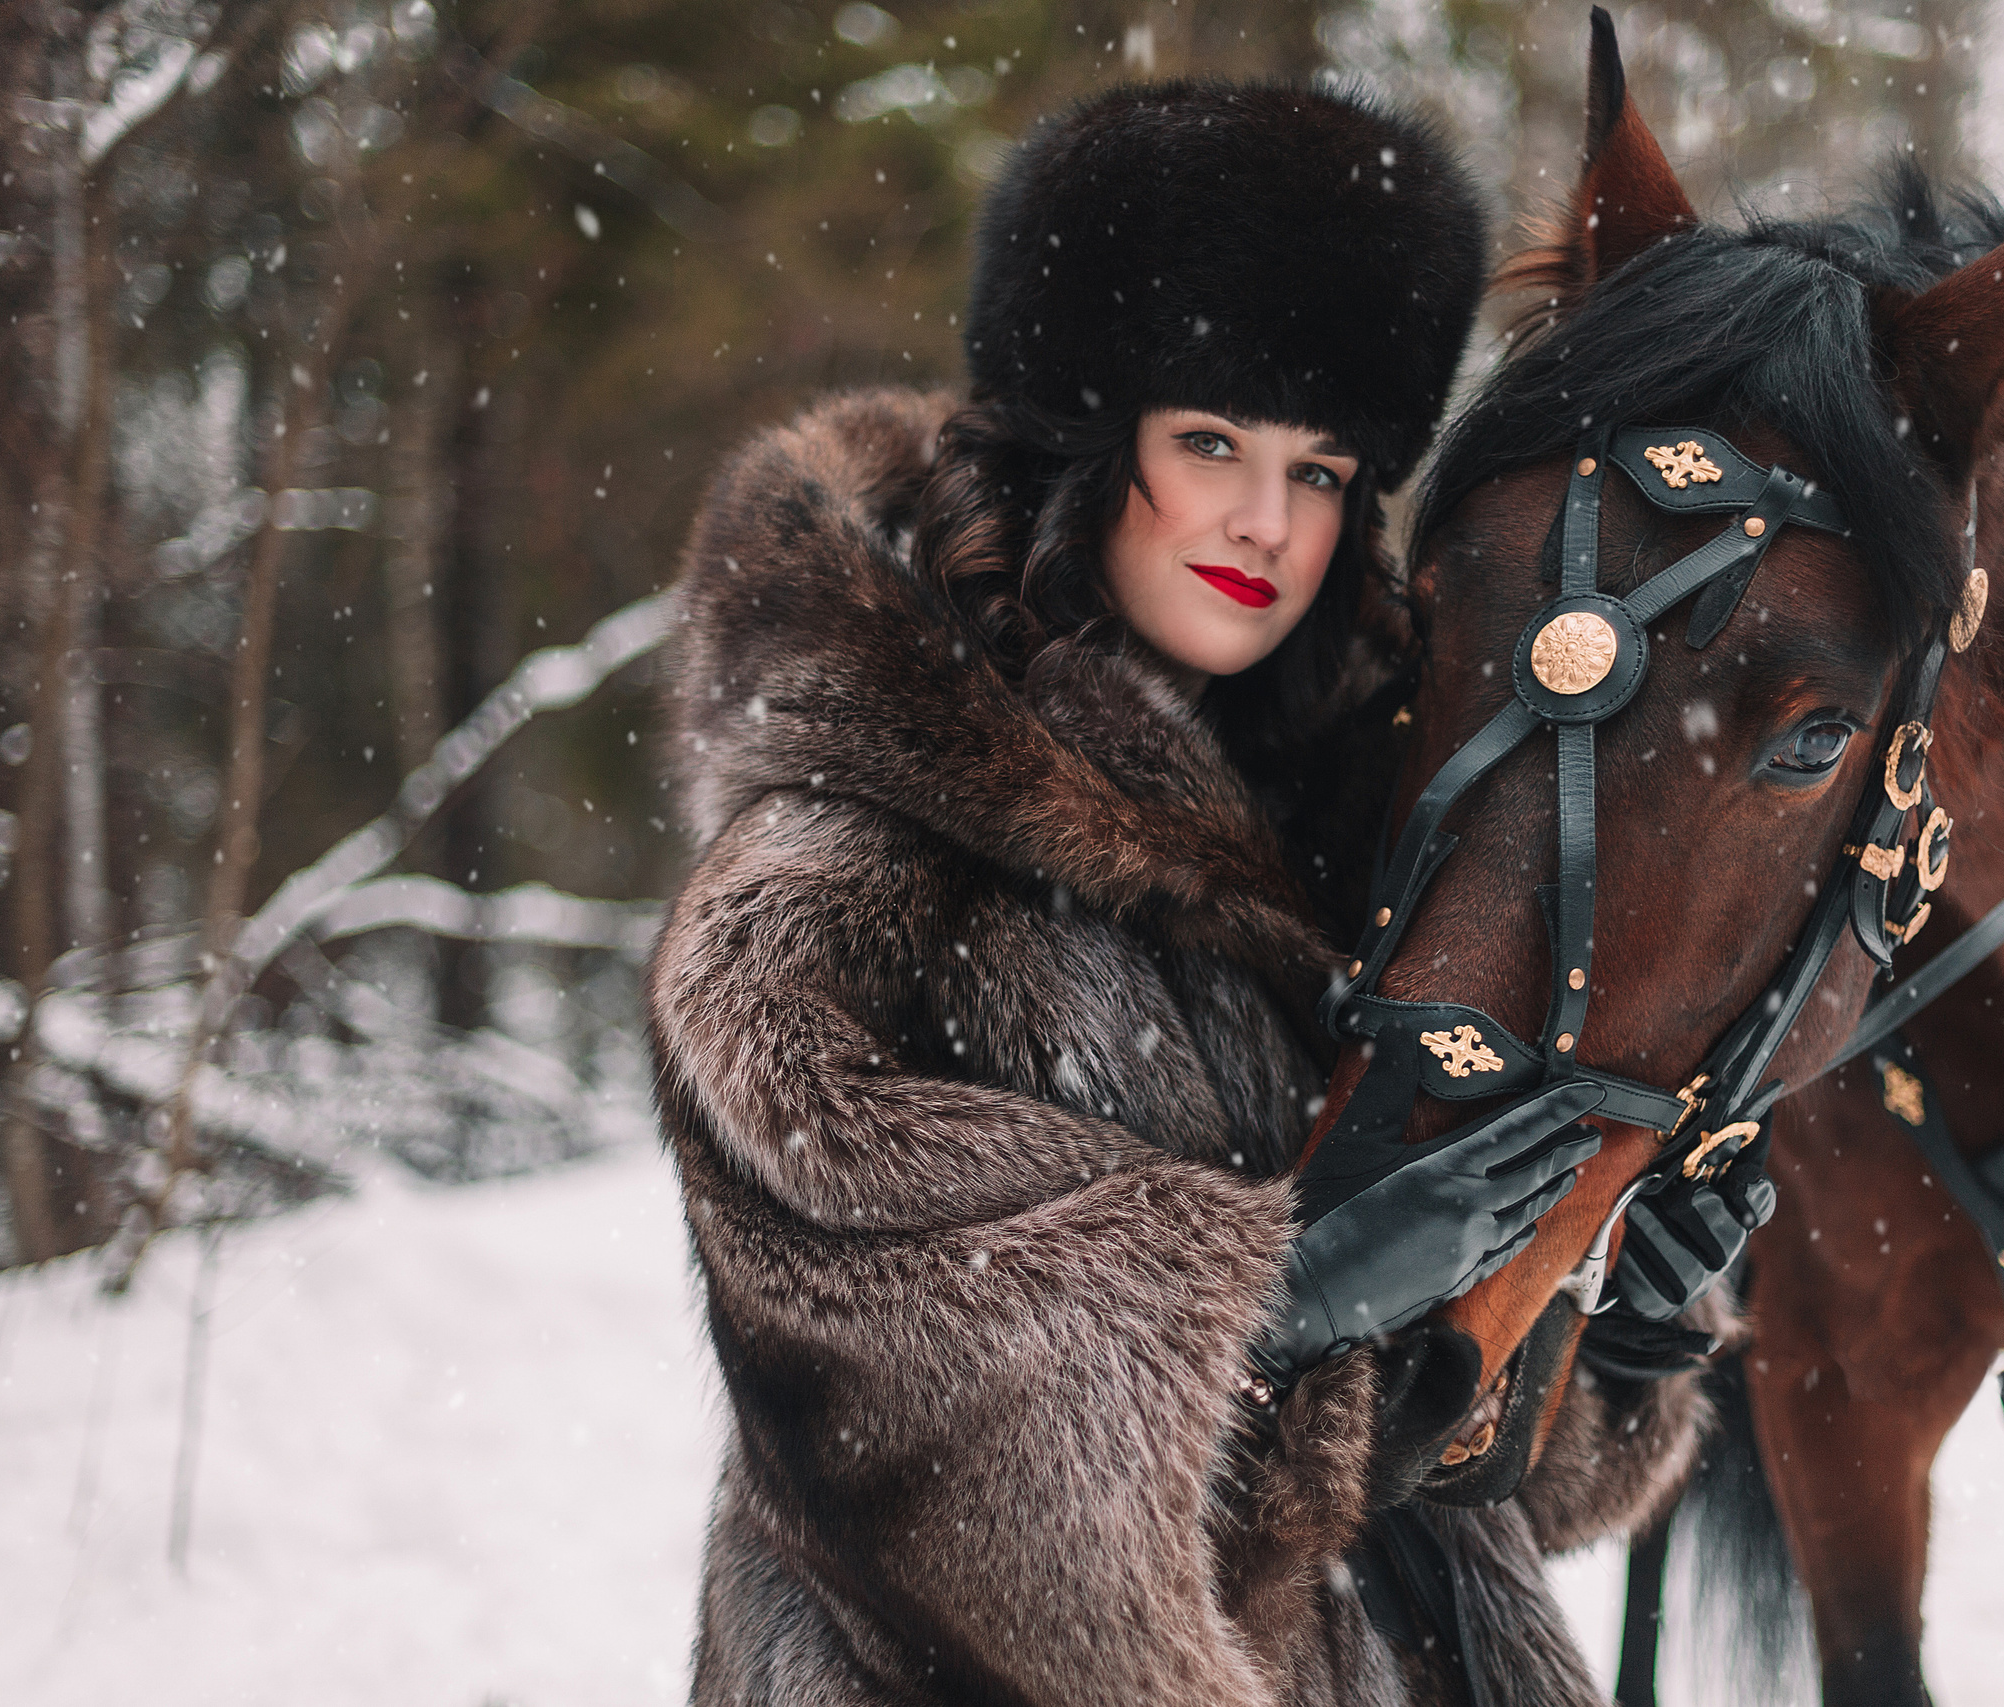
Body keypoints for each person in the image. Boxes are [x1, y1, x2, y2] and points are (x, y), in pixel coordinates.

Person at [649, 80, 1745, 1706]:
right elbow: (865, 1406)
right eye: (1213, 444)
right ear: (1094, 451)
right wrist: (1283, 1293)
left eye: (1320, 469)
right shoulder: (844, 861)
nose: (1264, 519)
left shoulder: (1382, 835)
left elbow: (1462, 1473)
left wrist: (1613, 1317)